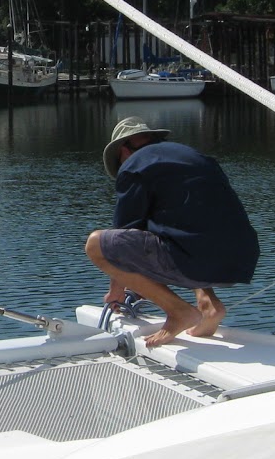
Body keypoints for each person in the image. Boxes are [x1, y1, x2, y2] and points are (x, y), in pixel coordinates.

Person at [85, 116, 259, 348]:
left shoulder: (134, 165)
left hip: (198, 258)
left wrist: (117, 290)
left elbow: (123, 236)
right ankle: (208, 306)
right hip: (241, 258)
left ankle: (178, 312)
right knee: (184, 230)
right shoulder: (193, 156)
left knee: (96, 244)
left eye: (118, 163)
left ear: (124, 150)